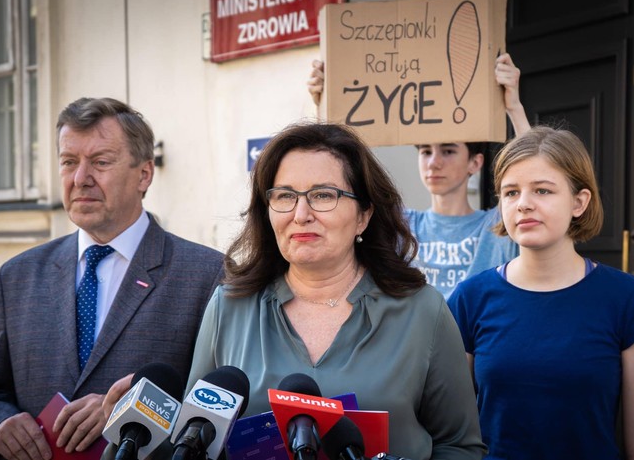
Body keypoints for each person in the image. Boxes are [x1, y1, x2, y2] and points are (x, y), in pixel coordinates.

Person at [187, 122, 485, 460]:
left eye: (323, 195)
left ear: (363, 216)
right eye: (285, 196)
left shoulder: (422, 310)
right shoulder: (229, 307)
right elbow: (192, 437)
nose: (301, 215)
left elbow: (460, 446)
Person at [0, 97, 225, 460]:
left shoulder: (206, 274)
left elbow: (220, 408)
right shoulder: (18, 276)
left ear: (144, 174)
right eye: (69, 162)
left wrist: (129, 411)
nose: (80, 179)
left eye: (100, 162)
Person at [447, 126, 634, 459]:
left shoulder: (626, 298)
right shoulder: (469, 298)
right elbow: (450, 434)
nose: (523, 204)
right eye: (510, 192)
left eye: (542, 190)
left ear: (579, 202)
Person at [308, 53, 530, 298]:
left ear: (475, 163)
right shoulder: (401, 224)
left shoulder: (496, 224)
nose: (434, 162)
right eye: (425, 152)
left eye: (448, 151)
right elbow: (342, 185)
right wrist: (325, 107)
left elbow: (532, 174)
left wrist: (514, 107)